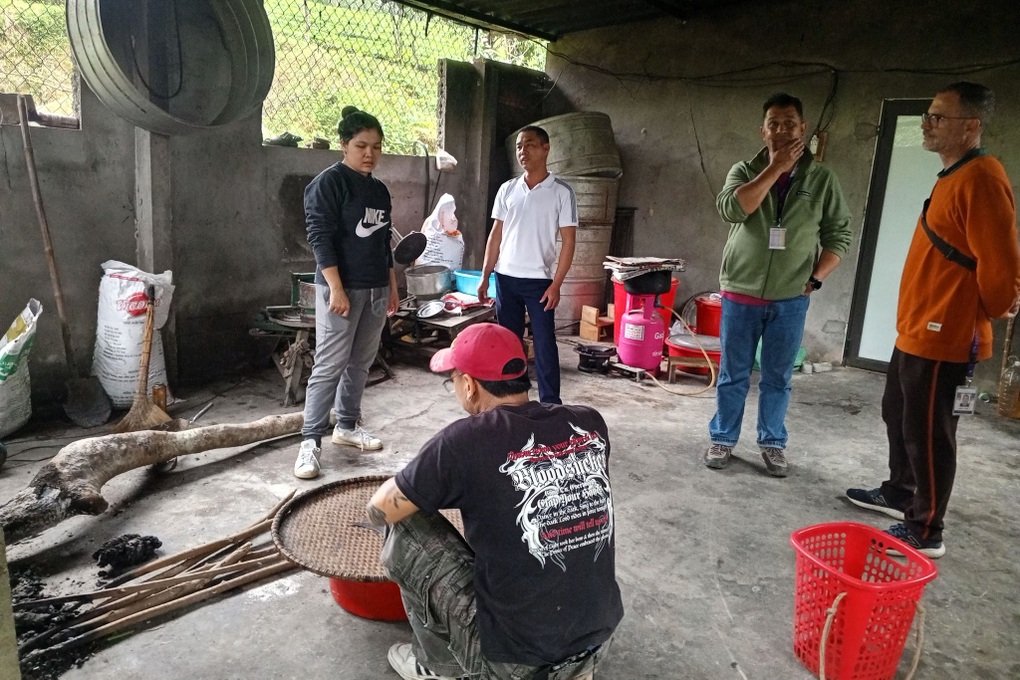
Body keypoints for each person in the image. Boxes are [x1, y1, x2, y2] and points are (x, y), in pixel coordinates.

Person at [366, 323, 623, 680]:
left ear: (469, 385)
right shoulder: (590, 423)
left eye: (453, 380)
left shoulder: (464, 441)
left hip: (516, 664)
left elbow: (380, 509)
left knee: (405, 524)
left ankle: (437, 667)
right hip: (597, 641)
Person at [846, 82, 1020, 558]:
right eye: (928, 115)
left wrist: (997, 304)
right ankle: (901, 493)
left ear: (971, 126)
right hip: (917, 328)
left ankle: (927, 528)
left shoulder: (983, 176)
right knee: (899, 414)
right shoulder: (952, 175)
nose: (927, 124)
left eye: (939, 117)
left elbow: (1001, 262)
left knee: (929, 433)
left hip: (947, 332)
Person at [706, 93, 853, 477]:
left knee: (777, 377)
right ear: (763, 130)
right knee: (733, 373)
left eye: (790, 123)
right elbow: (732, 209)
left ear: (803, 129)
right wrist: (774, 168)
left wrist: (815, 279)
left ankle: (772, 442)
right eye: (774, 123)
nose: (782, 130)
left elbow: (839, 235)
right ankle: (723, 437)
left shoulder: (822, 179)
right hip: (740, 291)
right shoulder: (744, 170)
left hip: (790, 297)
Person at [293, 106, 400, 480]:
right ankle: (310, 442)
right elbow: (320, 238)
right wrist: (335, 288)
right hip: (341, 289)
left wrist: (391, 285)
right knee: (329, 365)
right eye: (360, 145)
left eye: (375, 146)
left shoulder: (379, 189)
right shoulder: (329, 183)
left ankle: (348, 426)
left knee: (360, 363)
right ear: (344, 145)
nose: (369, 153)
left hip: (373, 289)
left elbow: (383, 241)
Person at [478, 126, 578, 405]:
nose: (523, 151)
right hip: (506, 278)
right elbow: (495, 235)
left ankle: (550, 404)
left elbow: (569, 241)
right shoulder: (508, 189)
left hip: (539, 282)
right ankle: (511, 399)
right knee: (508, 343)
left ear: (546, 149)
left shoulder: (561, 192)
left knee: (545, 345)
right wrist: (486, 276)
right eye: (519, 147)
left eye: (530, 145)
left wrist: (557, 284)